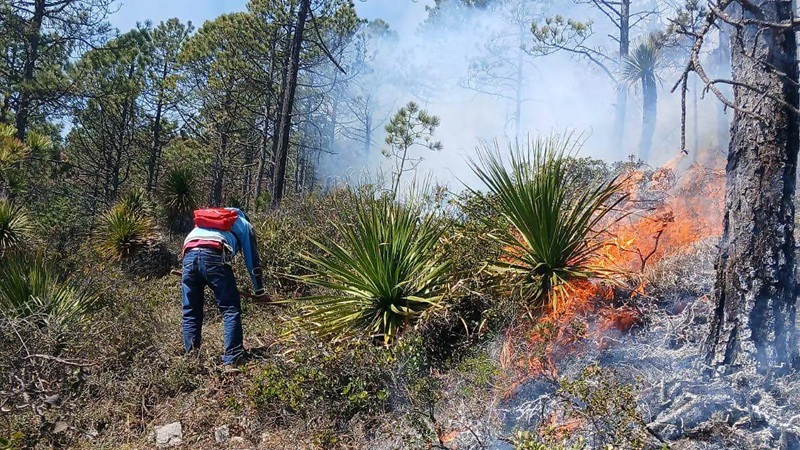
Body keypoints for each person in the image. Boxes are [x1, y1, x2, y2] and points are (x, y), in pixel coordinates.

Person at [180, 207, 266, 366]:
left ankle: (191, 360)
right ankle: (233, 357)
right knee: (230, 308)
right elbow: (252, 261)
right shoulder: (244, 224)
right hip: (214, 253)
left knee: (191, 310)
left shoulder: (206, 219)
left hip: (189, 255)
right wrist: (259, 291)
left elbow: (193, 246)